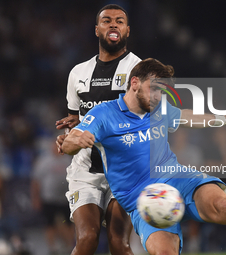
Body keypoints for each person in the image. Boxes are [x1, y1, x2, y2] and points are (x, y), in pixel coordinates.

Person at [61, 58, 226, 254]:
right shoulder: (104, 114)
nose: (158, 96)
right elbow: (72, 140)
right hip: (143, 200)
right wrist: (76, 141)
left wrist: (224, 117)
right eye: (154, 89)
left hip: (177, 177)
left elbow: (187, 117)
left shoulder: (159, 108)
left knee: (221, 205)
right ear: (134, 83)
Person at [55, 4, 141, 255]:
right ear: (96, 30)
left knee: (118, 242)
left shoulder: (139, 70)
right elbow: (75, 116)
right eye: (107, 21)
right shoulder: (78, 73)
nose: (113, 24)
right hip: (85, 169)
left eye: (119, 21)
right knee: (87, 239)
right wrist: (69, 136)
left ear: (127, 31)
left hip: (124, 170)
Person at [31, 141, 75, 254]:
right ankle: (52, 248)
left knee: (69, 223)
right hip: (48, 198)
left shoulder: (67, 159)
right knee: (50, 224)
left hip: (65, 198)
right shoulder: (44, 161)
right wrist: (36, 198)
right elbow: (36, 181)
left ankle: (71, 246)